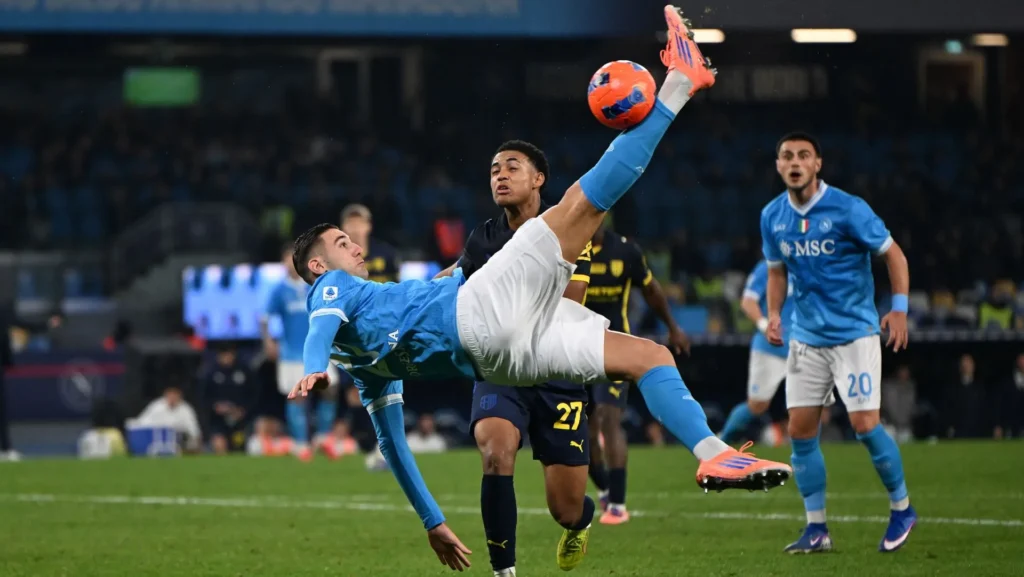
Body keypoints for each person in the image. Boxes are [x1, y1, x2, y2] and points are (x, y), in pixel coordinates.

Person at [292, 8, 790, 571]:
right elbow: (321, 325)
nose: (355, 248)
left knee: (650, 356)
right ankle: (680, 82)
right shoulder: (331, 289)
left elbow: (394, 447)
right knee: (583, 204)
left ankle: (714, 454)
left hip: (505, 356)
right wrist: (312, 366)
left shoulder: (365, 367)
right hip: (482, 315)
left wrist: (433, 521)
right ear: (318, 265)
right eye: (342, 243)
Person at [434, 138, 597, 575]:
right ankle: (503, 570)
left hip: (556, 369)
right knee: (495, 449)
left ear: (538, 178)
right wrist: (411, 297)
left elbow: (570, 302)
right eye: (493, 170)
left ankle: (581, 520)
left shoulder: (567, 228)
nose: (500, 176)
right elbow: (455, 278)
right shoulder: (484, 237)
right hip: (502, 366)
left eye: (511, 167)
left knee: (566, 508)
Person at [760, 131, 915, 554]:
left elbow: (894, 255)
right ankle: (817, 528)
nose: (795, 162)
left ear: (817, 164)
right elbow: (776, 271)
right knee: (800, 431)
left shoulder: (849, 209)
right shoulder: (772, 216)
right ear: (778, 166)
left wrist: (899, 308)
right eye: (787, 156)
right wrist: (773, 313)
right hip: (806, 338)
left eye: (803, 155)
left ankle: (902, 508)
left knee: (865, 425)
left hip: (854, 334)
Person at [584, 219, 690, 526]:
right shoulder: (570, 249)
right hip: (574, 350)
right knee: (583, 432)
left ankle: (617, 504)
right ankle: (605, 489)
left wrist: (673, 327)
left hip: (615, 348)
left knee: (609, 418)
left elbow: (651, 290)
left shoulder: (625, 251)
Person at [261, 243, 340, 461]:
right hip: (291, 353)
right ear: (283, 263)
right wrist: (268, 342)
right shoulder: (279, 290)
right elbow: (265, 318)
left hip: (318, 350)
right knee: (296, 397)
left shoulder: (313, 285)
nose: (291, 263)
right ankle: (301, 443)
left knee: (330, 389)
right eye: (287, 259)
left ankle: (322, 437)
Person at [718, 260, 795, 443]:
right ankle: (721, 443)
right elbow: (748, 301)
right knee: (758, 404)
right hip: (771, 348)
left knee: (810, 403)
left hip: (803, 346)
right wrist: (764, 325)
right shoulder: (767, 268)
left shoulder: (808, 263)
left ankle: (808, 453)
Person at [341, 204, 400, 283]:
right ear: (343, 227)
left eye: (360, 223)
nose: (356, 228)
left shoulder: (386, 253)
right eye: (351, 223)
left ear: (369, 226)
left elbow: (397, 283)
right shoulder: (336, 258)